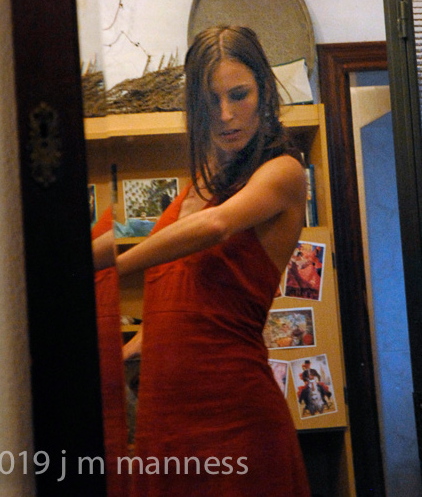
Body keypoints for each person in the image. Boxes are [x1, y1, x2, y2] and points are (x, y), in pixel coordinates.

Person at [93, 25, 311, 496]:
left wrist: (112, 268)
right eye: (211, 101)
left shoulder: (283, 172)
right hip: (166, 421)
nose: (226, 115)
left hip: (233, 418)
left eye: (239, 95)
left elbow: (215, 226)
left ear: (264, 91)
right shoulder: (200, 182)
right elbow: (190, 298)